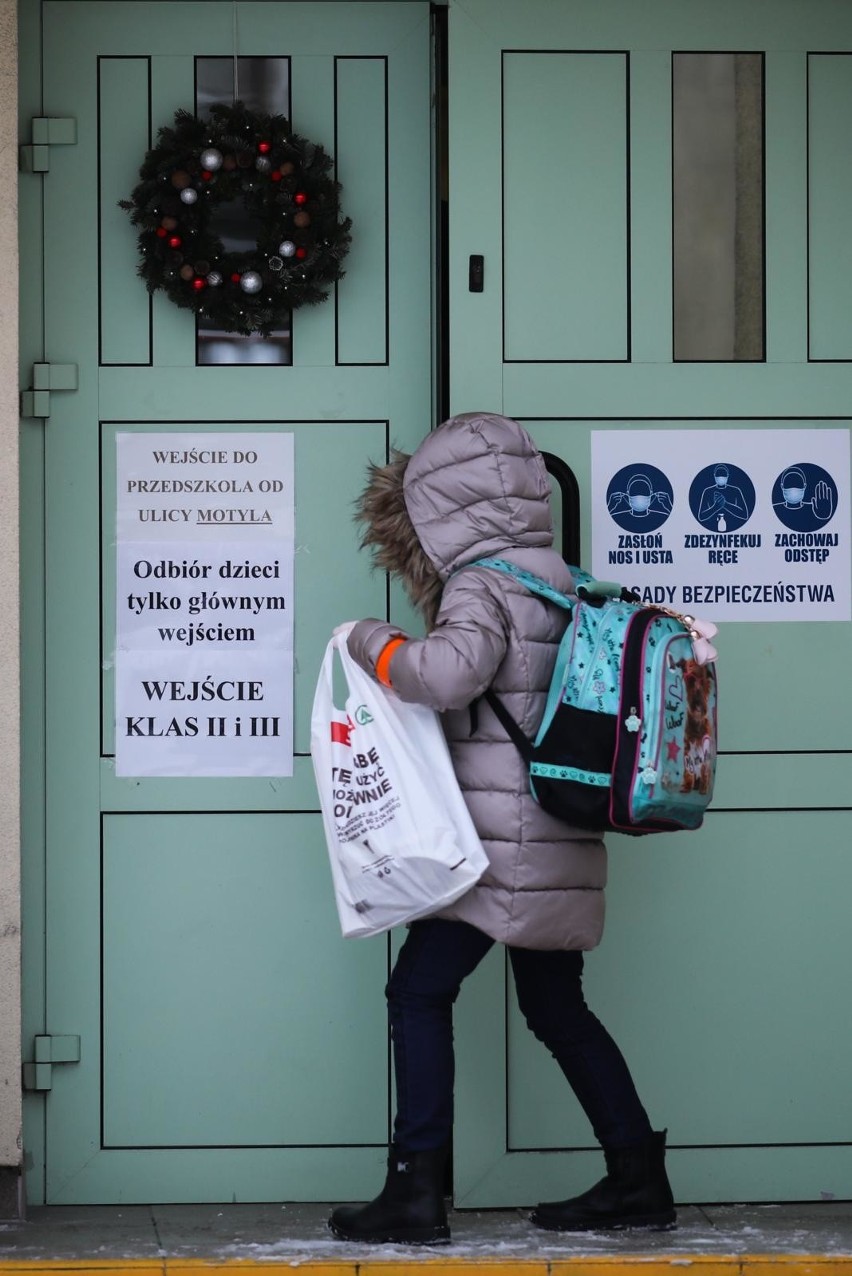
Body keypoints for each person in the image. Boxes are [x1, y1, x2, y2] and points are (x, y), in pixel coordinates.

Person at [329, 412, 675, 1244]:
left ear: (447, 507)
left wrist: (369, 643)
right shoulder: (560, 575)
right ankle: (638, 1177)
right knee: (558, 1010)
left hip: (496, 841)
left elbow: (448, 675)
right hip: (553, 829)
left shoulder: (482, 582)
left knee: (418, 991)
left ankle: (415, 1191)